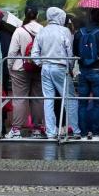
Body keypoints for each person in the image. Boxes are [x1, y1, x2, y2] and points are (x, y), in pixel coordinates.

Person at [32, 7, 81, 140]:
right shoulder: (65, 31)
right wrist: (70, 67)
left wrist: (41, 63)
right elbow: (69, 52)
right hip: (60, 67)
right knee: (69, 98)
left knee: (48, 100)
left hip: (45, 68)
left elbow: (34, 54)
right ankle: (75, 130)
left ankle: (51, 132)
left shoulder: (42, 31)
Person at [5, 7, 45, 139]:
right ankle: (37, 130)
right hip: (38, 68)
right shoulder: (43, 30)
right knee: (37, 99)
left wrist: (10, 67)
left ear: (25, 15)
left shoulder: (19, 31)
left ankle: (16, 130)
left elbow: (12, 52)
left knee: (20, 99)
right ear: (37, 15)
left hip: (20, 69)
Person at [73, 8, 99, 141]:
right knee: (97, 104)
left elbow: (75, 52)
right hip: (98, 71)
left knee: (82, 104)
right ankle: (96, 134)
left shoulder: (79, 33)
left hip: (83, 71)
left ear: (90, 16)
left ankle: (83, 134)